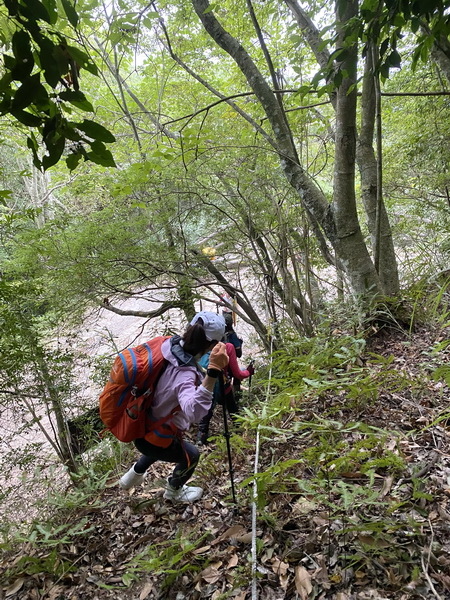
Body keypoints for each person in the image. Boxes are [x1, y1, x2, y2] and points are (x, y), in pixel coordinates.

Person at [119, 311, 229, 503]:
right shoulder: (184, 374)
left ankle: (131, 477)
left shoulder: (166, 346)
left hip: (142, 425)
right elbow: (193, 412)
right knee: (191, 455)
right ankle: (174, 491)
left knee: (158, 447)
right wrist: (213, 372)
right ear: (212, 345)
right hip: (157, 435)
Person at [197, 342, 255, 445]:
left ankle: (201, 438)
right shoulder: (227, 347)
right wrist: (248, 372)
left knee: (207, 413)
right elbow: (238, 374)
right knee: (232, 407)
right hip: (222, 387)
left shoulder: (201, 343)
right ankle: (240, 429)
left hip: (203, 386)